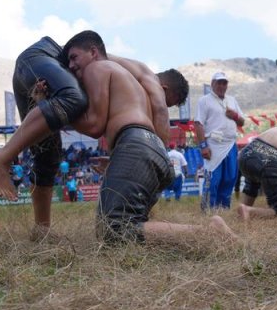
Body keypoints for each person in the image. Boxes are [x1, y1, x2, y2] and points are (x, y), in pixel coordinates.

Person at [0, 32, 184, 238]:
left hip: (38, 68)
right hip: (42, 57)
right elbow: (159, 108)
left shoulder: (113, 78)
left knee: (48, 154)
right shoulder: (133, 74)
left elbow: (94, 124)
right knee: (72, 99)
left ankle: (41, 230)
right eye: (168, 101)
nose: (71, 65)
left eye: (74, 59)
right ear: (164, 88)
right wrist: (161, 155)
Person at [65, 34, 233, 245]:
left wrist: (158, 154)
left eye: (74, 58)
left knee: (116, 229)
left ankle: (210, 232)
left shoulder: (143, 78)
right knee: (114, 227)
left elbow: (160, 110)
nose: (162, 106)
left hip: (141, 147)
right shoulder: (130, 74)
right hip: (138, 149)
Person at [194, 72, 245, 211]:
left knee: (230, 178)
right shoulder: (204, 100)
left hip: (230, 144)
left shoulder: (232, 100)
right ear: (212, 84)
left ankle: (224, 210)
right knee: (213, 180)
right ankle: (208, 212)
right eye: (219, 83)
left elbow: (242, 121)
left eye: (224, 83)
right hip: (213, 145)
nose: (222, 86)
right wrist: (203, 146)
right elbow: (198, 123)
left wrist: (234, 115)